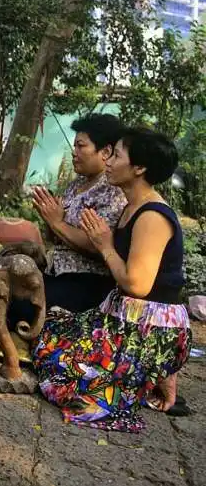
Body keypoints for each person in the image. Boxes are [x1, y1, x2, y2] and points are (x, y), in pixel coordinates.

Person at [33, 127, 192, 431]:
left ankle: (153, 373)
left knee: (63, 376)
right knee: (50, 338)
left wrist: (104, 245)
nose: (107, 160)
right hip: (124, 316)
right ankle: (150, 375)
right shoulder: (131, 206)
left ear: (139, 168)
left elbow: (137, 285)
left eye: (116, 154)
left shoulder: (152, 216)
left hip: (150, 327)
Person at [31, 113, 127, 312]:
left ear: (106, 152)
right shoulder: (76, 185)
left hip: (87, 282)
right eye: (74, 146)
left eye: (81, 146)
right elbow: (57, 235)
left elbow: (97, 245)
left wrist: (58, 223)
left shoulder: (112, 192)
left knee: (19, 306)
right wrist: (48, 216)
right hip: (55, 272)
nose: (74, 152)